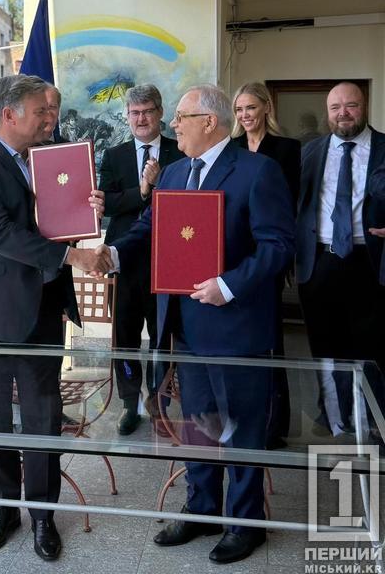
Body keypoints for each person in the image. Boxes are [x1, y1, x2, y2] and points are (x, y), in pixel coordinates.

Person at [97, 85, 295, 564]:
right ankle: (202, 508)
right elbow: (150, 229)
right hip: (184, 326)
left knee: (241, 428)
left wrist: (229, 285)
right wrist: (114, 255)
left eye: (181, 117)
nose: (172, 125)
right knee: (199, 427)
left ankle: (246, 524)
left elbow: (278, 246)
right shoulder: (174, 172)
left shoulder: (258, 171)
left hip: (236, 327)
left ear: (209, 121)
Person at [0, 74, 111, 561]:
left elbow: (61, 222)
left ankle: (43, 515)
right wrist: (74, 257)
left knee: (43, 418)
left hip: (43, 308)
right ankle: (4, 511)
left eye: (52, 110)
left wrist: (89, 209)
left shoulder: (53, 158)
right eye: (42, 111)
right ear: (9, 115)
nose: (51, 119)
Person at [296, 81, 385, 436]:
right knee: (326, 343)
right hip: (321, 260)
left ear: (364, 106)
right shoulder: (311, 151)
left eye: (351, 105)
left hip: (371, 261)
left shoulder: (384, 147)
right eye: (335, 107)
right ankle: (334, 415)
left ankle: (376, 423)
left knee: (374, 347)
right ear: (327, 112)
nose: (343, 113)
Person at [98, 84, 184, 435]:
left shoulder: (180, 152)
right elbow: (108, 204)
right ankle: (129, 403)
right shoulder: (114, 155)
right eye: (135, 113)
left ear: (160, 113)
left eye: (147, 111)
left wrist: (159, 184)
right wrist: (144, 191)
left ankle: (159, 404)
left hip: (168, 262)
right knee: (125, 338)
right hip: (124, 263)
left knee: (163, 338)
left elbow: (187, 202)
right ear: (127, 116)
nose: (141, 118)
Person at [232, 81, 301, 448]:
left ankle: (274, 425)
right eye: (239, 109)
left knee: (271, 339)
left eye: (251, 108)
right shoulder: (232, 148)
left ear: (266, 108)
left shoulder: (287, 149)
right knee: (243, 336)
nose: (245, 115)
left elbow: (288, 205)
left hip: (269, 257)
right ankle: (242, 419)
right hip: (236, 258)